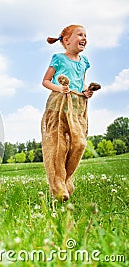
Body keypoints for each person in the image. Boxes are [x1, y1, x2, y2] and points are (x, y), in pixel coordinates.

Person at [41, 24, 98, 202]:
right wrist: (60, 88)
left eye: (85, 35)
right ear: (67, 41)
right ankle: (58, 186)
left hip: (78, 106)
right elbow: (45, 81)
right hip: (58, 105)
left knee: (80, 143)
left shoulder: (84, 62)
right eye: (80, 35)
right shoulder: (58, 58)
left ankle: (65, 179)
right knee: (58, 146)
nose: (84, 38)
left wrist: (86, 92)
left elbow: (81, 83)